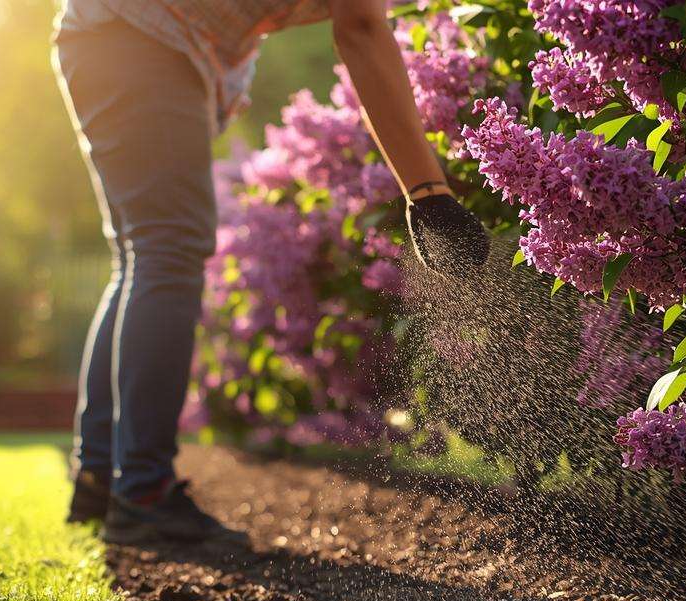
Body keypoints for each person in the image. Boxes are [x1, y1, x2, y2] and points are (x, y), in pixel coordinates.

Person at [54, 0, 488, 545]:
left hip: (119, 37)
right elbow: (360, 26)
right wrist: (428, 193)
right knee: (166, 251)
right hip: (137, 37)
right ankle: (141, 492)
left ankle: (102, 474)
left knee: (143, 256)